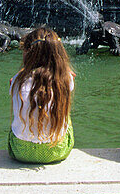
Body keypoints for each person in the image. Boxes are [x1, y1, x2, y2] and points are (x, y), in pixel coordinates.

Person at [8, 27, 75, 164]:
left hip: (20, 151)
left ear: (28, 53)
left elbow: (16, 82)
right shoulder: (66, 80)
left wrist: (24, 71)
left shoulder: (16, 80)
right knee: (62, 104)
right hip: (57, 150)